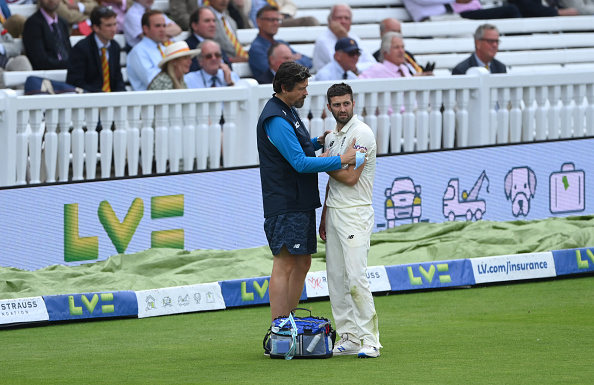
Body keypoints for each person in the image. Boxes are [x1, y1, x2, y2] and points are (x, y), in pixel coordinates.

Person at [256, 61, 360, 322]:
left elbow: (296, 148)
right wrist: (343, 159)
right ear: (284, 87)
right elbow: (300, 163)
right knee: (285, 263)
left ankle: (291, 323)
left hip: (299, 200)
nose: (306, 93)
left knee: (302, 263)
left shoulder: (287, 110)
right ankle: (280, 329)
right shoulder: (276, 118)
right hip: (285, 201)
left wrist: (316, 142)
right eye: (301, 88)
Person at [319, 82, 381, 359]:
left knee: (356, 277)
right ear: (329, 107)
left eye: (346, 103)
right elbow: (333, 184)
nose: (342, 109)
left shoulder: (362, 134)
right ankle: (349, 336)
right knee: (336, 278)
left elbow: (351, 177)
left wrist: (322, 163)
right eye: (336, 104)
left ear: (353, 104)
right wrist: (324, 216)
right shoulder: (332, 138)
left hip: (356, 212)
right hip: (334, 212)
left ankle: (371, 340)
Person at [67, 6, 126, 92]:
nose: (113, 29)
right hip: (89, 99)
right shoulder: (81, 48)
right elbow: (76, 82)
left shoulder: (114, 47)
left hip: (112, 99)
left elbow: (118, 79)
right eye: (108, 25)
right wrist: (100, 95)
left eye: (115, 24)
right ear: (96, 28)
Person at [248, 5, 312, 79]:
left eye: (277, 20)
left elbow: (308, 61)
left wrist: (288, 62)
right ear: (258, 22)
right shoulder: (256, 49)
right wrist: (293, 60)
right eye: (271, 19)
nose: (276, 23)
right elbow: (275, 72)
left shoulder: (281, 43)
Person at [312, 3, 376, 73]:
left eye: (347, 18)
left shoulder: (354, 37)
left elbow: (373, 64)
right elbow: (342, 65)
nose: (343, 21)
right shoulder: (323, 40)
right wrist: (344, 37)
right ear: (330, 21)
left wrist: (357, 68)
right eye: (339, 18)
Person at [22, 0, 72, 70]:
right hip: (47, 74)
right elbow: (40, 61)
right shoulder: (33, 24)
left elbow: (68, 51)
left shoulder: (63, 22)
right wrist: (69, 64)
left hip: (69, 71)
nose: (51, 0)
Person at [126, 10, 168, 91]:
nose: (162, 29)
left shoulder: (164, 49)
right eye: (158, 26)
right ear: (145, 29)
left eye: (164, 26)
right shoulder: (138, 52)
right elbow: (154, 83)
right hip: (148, 101)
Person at [359, 32, 429, 79]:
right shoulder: (378, 69)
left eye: (402, 47)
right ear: (385, 52)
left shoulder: (404, 68)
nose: (401, 51)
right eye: (396, 47)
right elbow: (357, 83)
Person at [185, 7, 233, 72]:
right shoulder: (187, 48)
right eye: (207, 21)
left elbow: (229, 67)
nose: (212, 25)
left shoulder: (216, 45)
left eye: (214, 21)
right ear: (194, 26)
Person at [401, 0, 522, 22]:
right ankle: (522, 47)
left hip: (455, 15)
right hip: (435, 19)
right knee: (510, 10)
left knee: (510, 10)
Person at [0, 0, 32, 74]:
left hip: (6, 60)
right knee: (17, 20)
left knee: (22, 61)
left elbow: (15, 46)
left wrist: (2, 47)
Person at [248, 0, 319, 27]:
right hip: (256, 25)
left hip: (278, 23)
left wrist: (282, 14)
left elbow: (291, 5)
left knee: (311, 21)